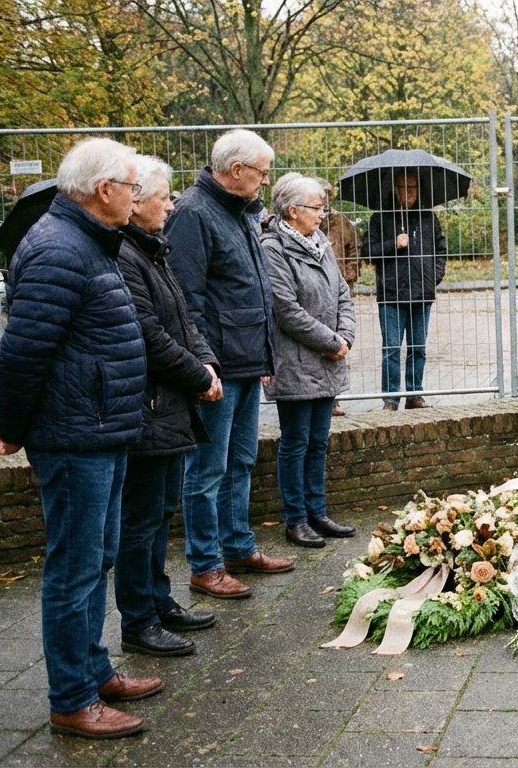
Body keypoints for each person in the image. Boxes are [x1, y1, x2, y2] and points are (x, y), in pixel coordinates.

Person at [0, 138, 161, 739]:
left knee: (100, 557)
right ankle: (71, 698)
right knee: (74, 569)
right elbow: (22, 353)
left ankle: (93, 671)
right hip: (73, 435)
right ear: (104, 190)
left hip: (101, 430)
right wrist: (9, 427)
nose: (138, 197)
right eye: (133, 187)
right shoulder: (61, 250)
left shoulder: (89, 243)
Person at [167, 129, 295, 600]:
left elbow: (251, 288)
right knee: (206, 470)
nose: (266, 180)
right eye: (261, 172)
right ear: (236, 170)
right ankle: (205, 564)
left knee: (240, 461)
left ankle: (239, 546)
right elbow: (186, 300)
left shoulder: (238, 211)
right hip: (217, 369)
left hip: (246, 362)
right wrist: (204, 364)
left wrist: (262, 355)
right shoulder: (194, 214)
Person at [113, 156, 222, 659]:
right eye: (164, 197)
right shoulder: (125, 257)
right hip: (147, 406)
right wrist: (197, 374)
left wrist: (204, 359)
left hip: (168, 405)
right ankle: (139, 620)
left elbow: (183, 319)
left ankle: (159, 602)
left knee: (162, 511)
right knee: (140, 520)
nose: (172, 205)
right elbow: (148, 334)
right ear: (135, 202)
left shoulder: (153, 251)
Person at [261, 173, 358, 547]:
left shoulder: (320, 241)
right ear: (293, 210)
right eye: (317, 208)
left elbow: (343, 293)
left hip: (329, 357)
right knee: (296, 442)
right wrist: (330, 341)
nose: (323, 213)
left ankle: (318, 512)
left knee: (318, 441)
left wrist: (345, 336)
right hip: (297, 360)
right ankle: (296, 519)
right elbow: (285, 309)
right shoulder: (273, 248)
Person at [366, 170, 447, 411]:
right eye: (402, 188)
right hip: (391, 293)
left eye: (412, 188)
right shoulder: (380, 219)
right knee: (391, 349)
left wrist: (433, 279)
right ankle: (391, 399)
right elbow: (368, 252)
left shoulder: (428, 218)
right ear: (394, 189)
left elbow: (441, 250)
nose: (407, 193)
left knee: (418, 348)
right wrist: (394, 244)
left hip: (422, 293)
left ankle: (414, 395)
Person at [318, 177, 361, 418]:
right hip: (316, 291)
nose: (323, 201)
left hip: (339, 287)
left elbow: (353, 246)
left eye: (326, 196)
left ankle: (335, 398)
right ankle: (324, 398)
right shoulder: (308, 219)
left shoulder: (339, 220)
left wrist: (350, 274)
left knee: (340, 343)